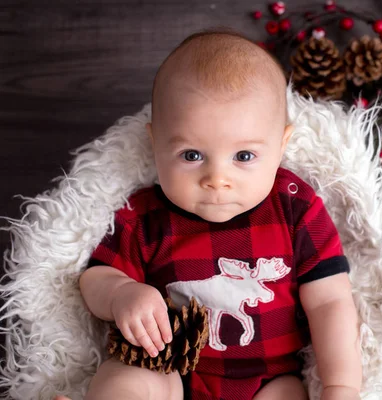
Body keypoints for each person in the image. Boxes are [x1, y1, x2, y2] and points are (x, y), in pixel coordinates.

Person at [56, 29, 361, 400]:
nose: (217, 179)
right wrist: (121, 294)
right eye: (191, 155)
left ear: (280, 146)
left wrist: (341, 386)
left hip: (266, 380)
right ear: (156, 145)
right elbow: (96, 277)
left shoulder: (295, 207)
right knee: (126, 382)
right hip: (167, 366)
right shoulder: (145, 217)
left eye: (244, 157)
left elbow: (330, 301)